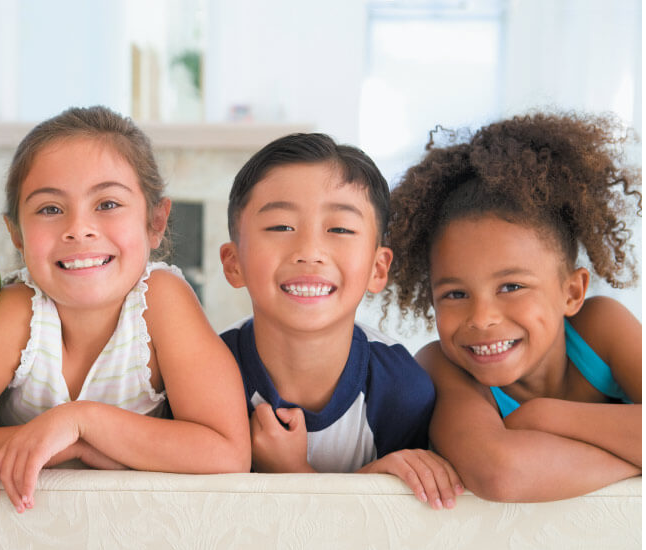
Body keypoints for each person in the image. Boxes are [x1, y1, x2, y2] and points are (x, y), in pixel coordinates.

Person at [0, 106, 250, 512]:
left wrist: (81, 422)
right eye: (50, 209)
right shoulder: (19, 312)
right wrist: (66, 445)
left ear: (155, 222)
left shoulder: (160, 301)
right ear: (16, 234)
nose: (79, 228)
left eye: (108, 204)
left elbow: (228, 453)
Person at [384, 112, 642, 502]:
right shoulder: (441, 367)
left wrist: (545, 417)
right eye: (455, 294)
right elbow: (502, 474)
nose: (483, 318)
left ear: (571, 292)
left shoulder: (600, 327)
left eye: (511, 286)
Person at [219, 133, 463, 510]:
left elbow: (393, 534)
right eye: (281, 227)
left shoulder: (401, 390)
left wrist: (292, 471)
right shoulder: (205, 372)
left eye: (340, 230)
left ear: (378, 268)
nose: (310, 252)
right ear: (234, 263)